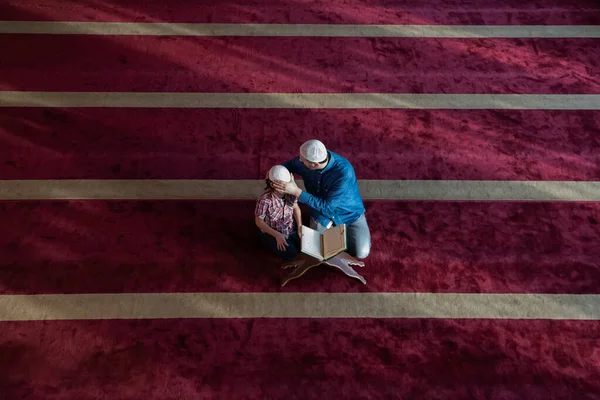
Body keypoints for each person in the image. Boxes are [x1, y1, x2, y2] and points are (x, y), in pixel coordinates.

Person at [272, 139, 371, 259]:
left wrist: (296, 192)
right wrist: (274, 174)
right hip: (319, 212)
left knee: (361, 253)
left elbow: (327, 207)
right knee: (319, 251)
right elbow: (290, 165)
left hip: (349, 214)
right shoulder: (306, 161)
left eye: (302, 160)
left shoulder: (344, 173)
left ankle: (343, 235)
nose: (299, 161)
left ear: (315, 165)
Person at [254, 165, 302, 261]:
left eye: (287, 185)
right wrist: (277, 235)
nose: (286, 188)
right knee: (293, 255)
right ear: (272, 184)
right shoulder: (265, 199)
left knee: (306, 250)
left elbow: (296, 208)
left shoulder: (291, 193)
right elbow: (259, 222)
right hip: (273, 233)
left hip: (290, 229)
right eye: (282, 186)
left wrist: (300, 227)